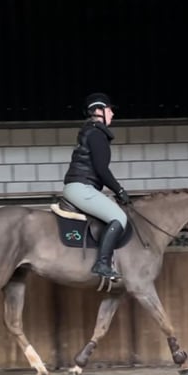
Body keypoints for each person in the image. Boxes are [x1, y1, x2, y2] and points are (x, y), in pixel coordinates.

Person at [62, 92, 131, 280]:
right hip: (81, 187)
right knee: (119, 217)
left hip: (82, 186)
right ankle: (102, 263)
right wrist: (120, 190)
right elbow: (102, 170)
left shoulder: (91, 131)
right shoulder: (96, 134)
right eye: (110, 110)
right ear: (99, 111)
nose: (112, 114)